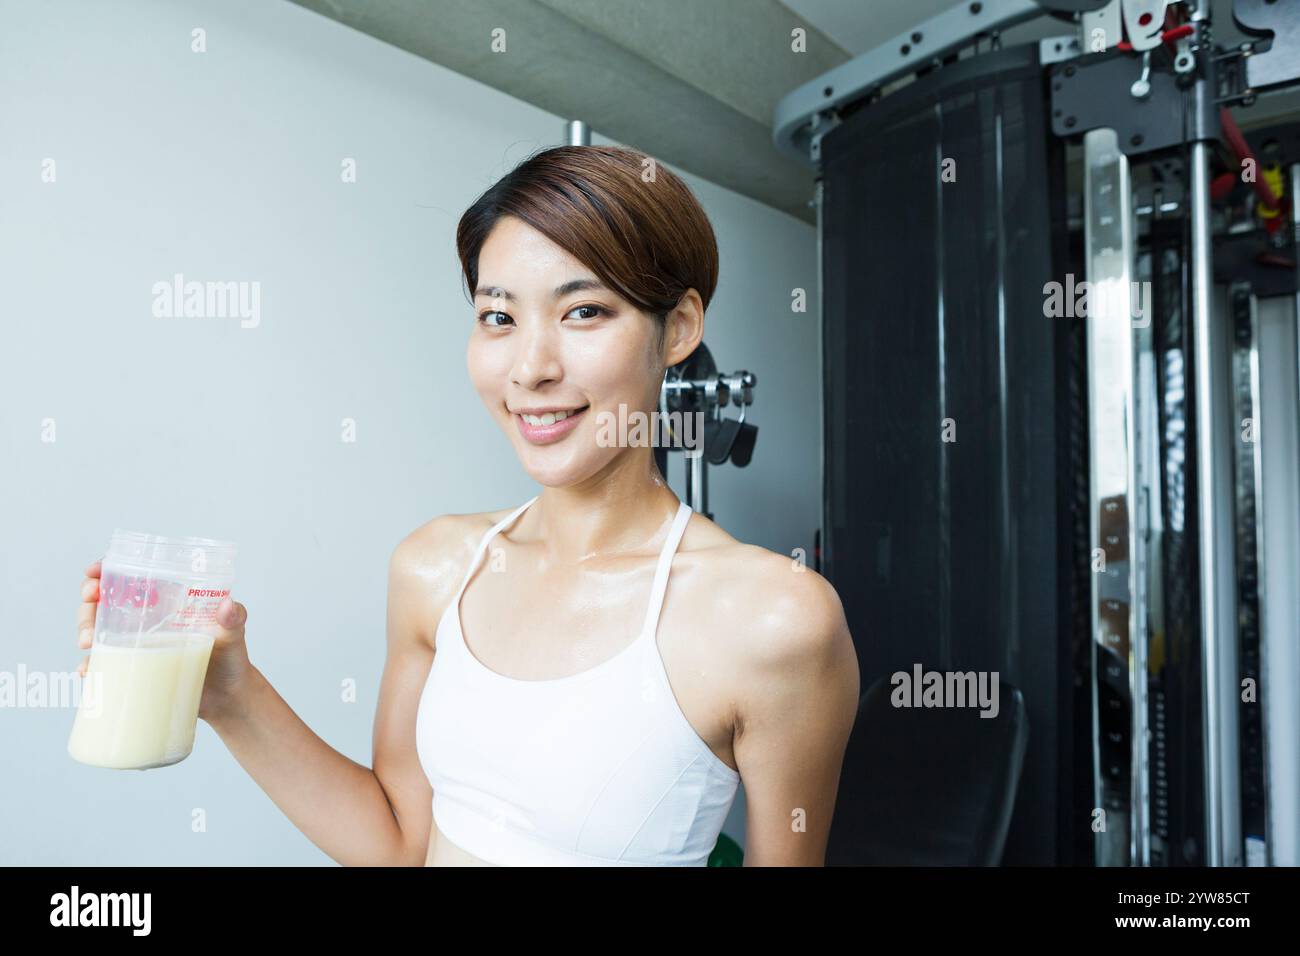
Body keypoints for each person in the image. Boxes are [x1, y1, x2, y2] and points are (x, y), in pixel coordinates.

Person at [75, 145, 860, 866]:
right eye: (499, 317)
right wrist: (231, 695)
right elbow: (401, 843)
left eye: (583, 311)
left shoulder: (773, 621)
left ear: (679, 326)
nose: (531, 367)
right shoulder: (435, 567)